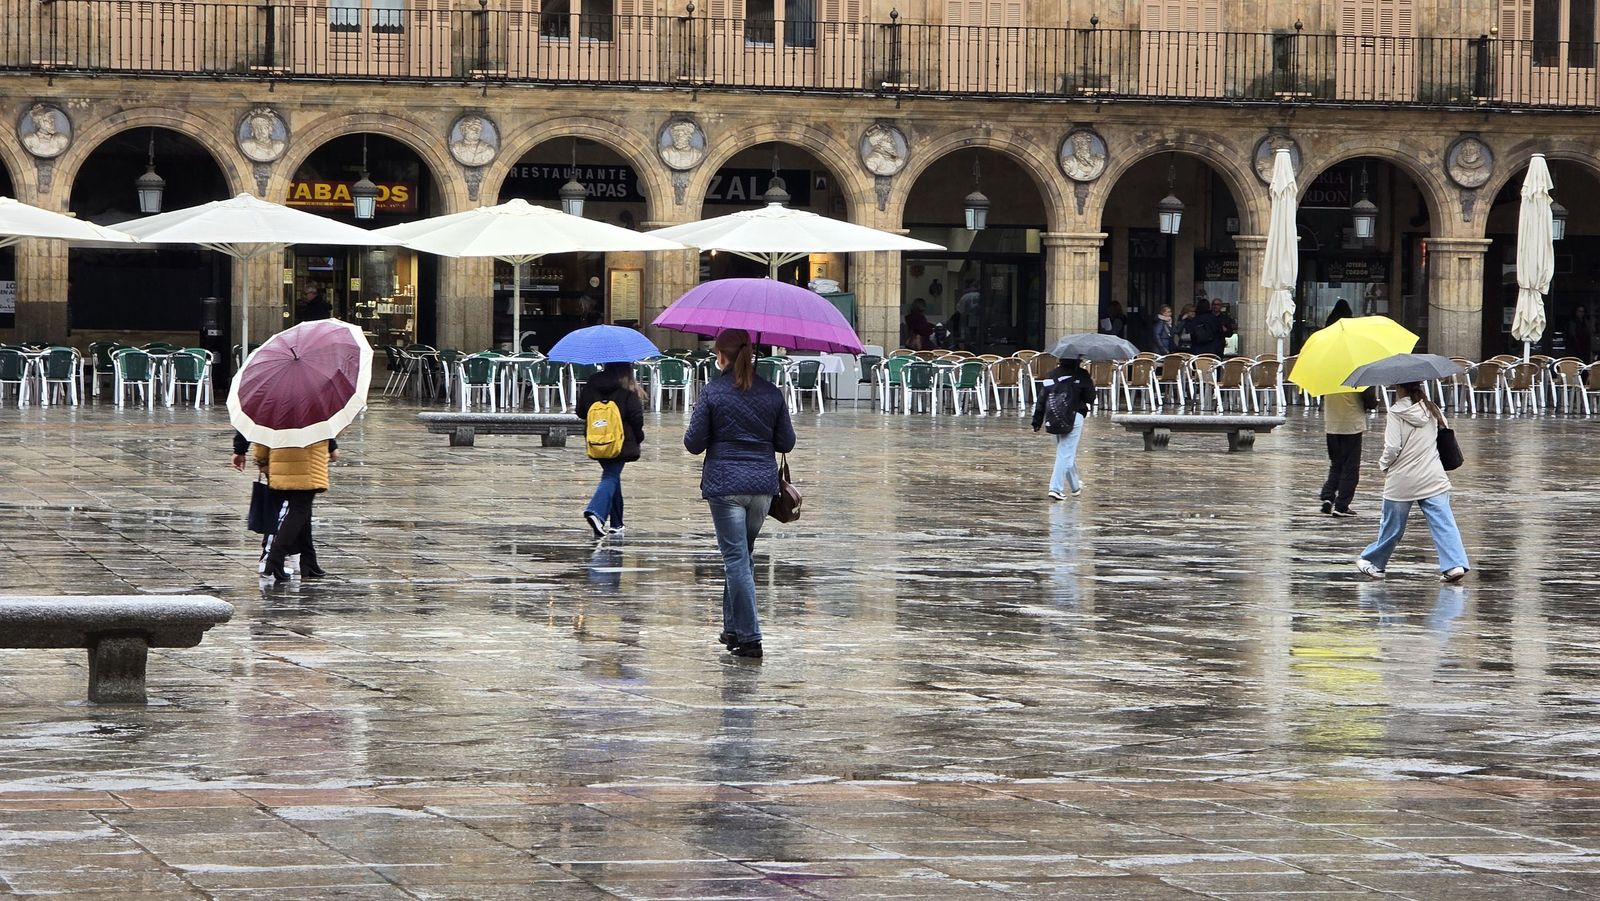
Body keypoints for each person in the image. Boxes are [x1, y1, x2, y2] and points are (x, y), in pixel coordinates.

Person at [683, 328, 796, 659]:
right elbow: (786, 442)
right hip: (761, 488)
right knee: (742, 556)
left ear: (721, 355)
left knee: (735, 559)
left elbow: (693, 443)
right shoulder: (771, 393)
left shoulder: (713, 392)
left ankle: (750, 637)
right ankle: (732, 629)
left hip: (725, 485)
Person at [1355, 382, 1469, 583]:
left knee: (1392, 526)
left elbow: (1392, 447)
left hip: (1402, 479)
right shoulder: (1432, 408)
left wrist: (1383, 464)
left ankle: (1376, 564)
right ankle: (1454, 565)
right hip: (1433, 476)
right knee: (1443, 522)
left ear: (1400, 388)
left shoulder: (1396, 412)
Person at [575, 361, 646, 539]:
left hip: (597, 438)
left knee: (612, 475)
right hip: (621, 441)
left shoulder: (593, 382)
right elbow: (636, 416)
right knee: (610, 476)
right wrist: (639, 436)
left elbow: (581, 411)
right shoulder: (627, 387)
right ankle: (596, 512)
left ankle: (617, 523)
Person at [253, 438, 339, 582]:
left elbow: (264, 434)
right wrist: (332, 446)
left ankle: (309, 563)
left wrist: (262, 460)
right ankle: (274, 560)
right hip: (309, 464)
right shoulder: (314, 414)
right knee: (299, 510)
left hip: (282, 461)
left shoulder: (273, 414)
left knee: (302, 511)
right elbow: (324, 429)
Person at [1031, 356, 1095, 500]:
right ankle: (1055, 488)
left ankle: (1075, 487)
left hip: (1053, 417)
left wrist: (1037, 421)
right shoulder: (1081, 374)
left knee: (1065, 452)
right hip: (1074, 416)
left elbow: (1042, 399)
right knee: (1065, 453)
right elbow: (1090, 398)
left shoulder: (1051, 375)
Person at [1319, 387, 1374, 517]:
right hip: (1351, 425)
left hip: (1332, 425)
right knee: (1350, 468)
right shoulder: (1357, 375)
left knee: (1336, 464)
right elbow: (1370, 400)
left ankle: (1328, 496)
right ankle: (1342, 505)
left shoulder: (1327, 377)